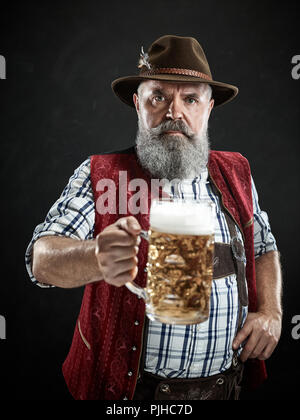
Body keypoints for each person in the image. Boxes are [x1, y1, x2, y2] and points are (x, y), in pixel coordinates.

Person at [25, 35, 282, 400]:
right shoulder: (100, 173)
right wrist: (96, 256)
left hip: (228, 389)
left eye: (190, 98)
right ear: (138, 104)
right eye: (158, 97)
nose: (174, 112)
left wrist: (271, 310)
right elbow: (41, 259)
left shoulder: (237, 170)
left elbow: (264, 247)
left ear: (208, 108)